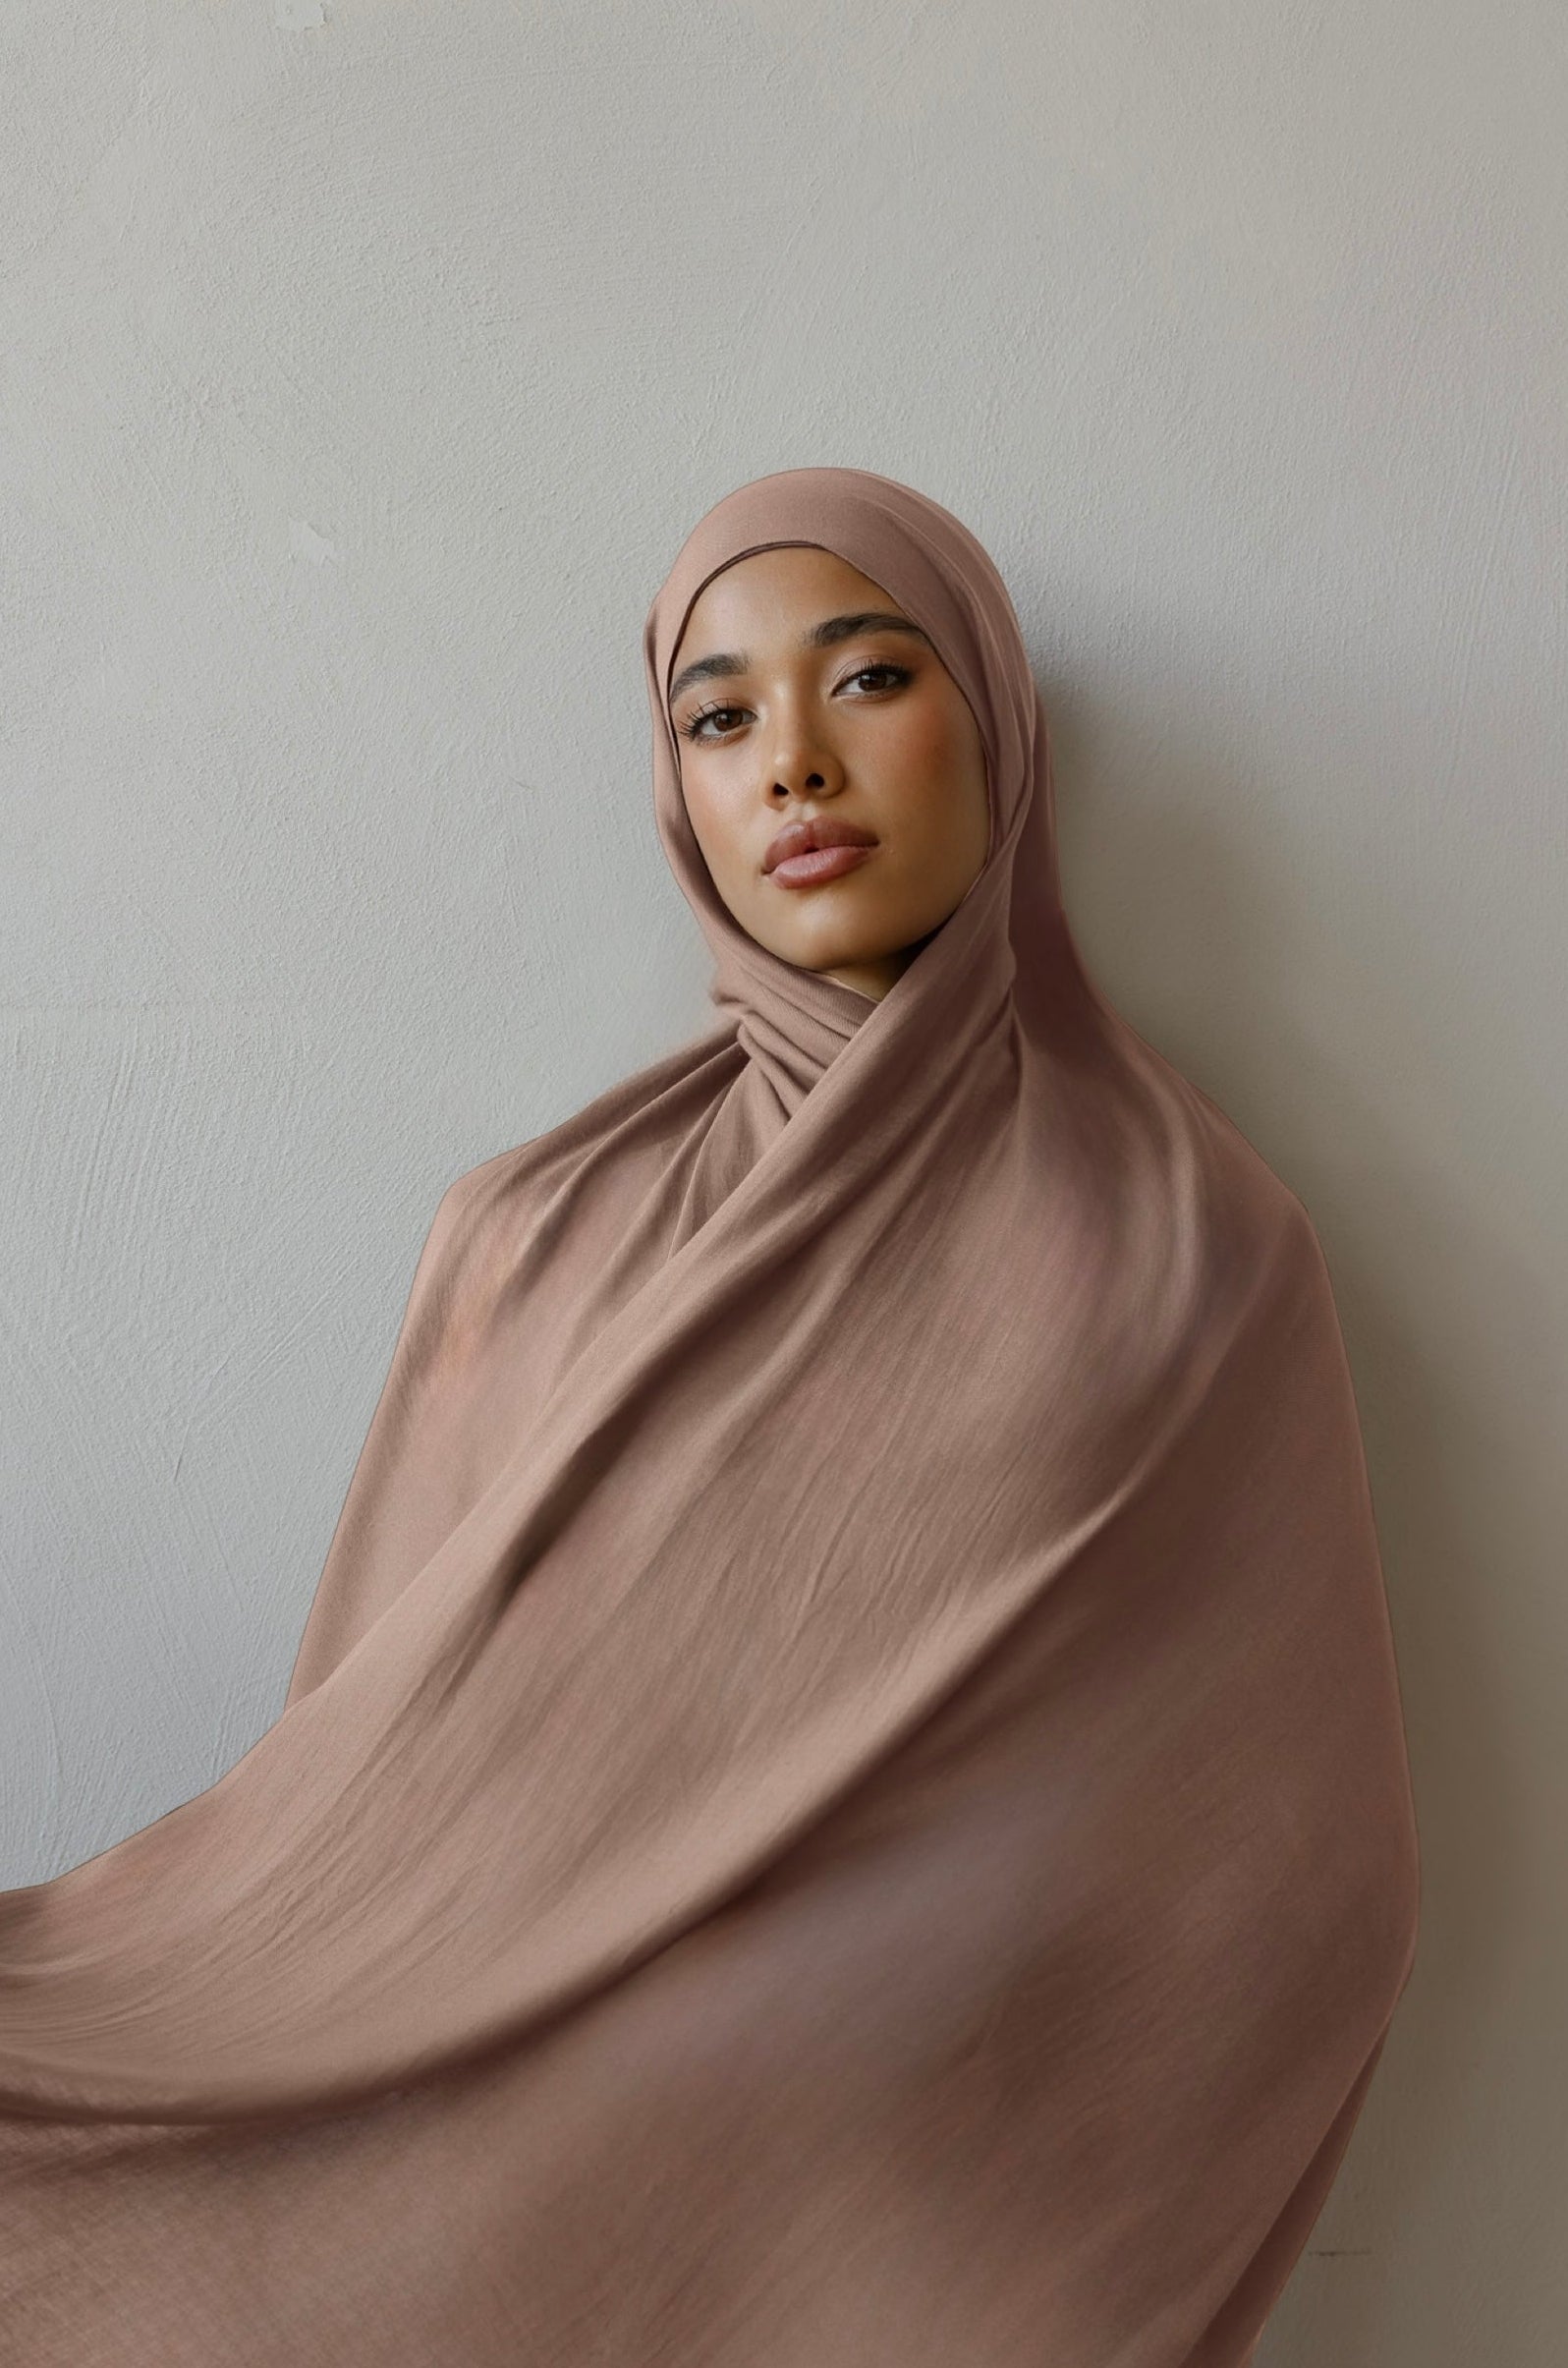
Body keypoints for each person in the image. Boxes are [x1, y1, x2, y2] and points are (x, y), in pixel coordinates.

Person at [0, 466, 1419, 2367]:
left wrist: (854, 2018)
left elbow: (1294, 1867)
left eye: (872, 679)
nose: (797, 766)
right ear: (675, 791)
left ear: (996, 731)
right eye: (721, 714)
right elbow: (367, 1806)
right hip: (461, 2076)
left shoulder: (1179, 1249)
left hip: (921, 2165)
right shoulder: (531, 1230)